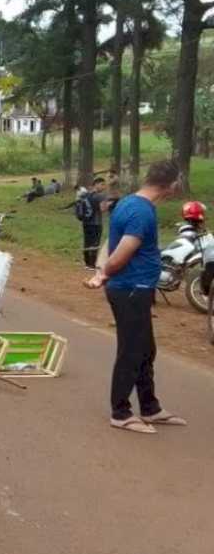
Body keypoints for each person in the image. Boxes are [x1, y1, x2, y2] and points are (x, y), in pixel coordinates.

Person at [85, 160, 187, 434]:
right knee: (131, 350)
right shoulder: (141, 212)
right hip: (131, 289)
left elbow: (109, 242)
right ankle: (120, 412)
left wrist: (100, 271)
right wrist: (105, 272)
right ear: (172, 184)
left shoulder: (128, 203)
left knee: (145, 349)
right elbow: (123, 251)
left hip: (134, 289)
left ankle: (150, 407)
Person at [72, 177, 107, 269]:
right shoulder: (100, 196)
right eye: (102, 184)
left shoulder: (85, 195)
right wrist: (109, 204)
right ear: (96, 184)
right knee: (95, 243)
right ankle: (92, 264)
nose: (104, 187)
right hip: (96, 223)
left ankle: (87, 263)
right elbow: (103, 209)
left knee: (87, 242)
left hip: (86, 222)